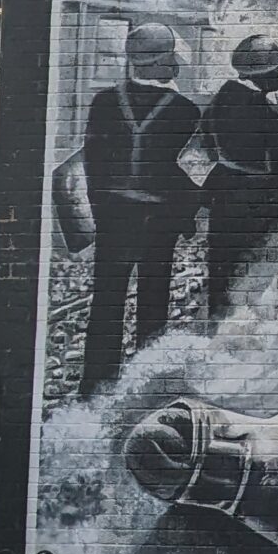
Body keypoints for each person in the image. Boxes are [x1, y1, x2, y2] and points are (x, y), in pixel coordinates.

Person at [79, 21, 200, 396]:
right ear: (164, 62)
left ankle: (96, 382)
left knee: (107, 299)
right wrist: (186, 220)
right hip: (159, 219)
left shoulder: (103, 103)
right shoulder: (185, 111)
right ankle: (145, 382)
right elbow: (186, 176)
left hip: (114, 216)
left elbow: (92, 166)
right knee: (154, 298)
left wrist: (100, 212)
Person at [199, 34, 278, 324]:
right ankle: (244, 336)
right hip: (262, 204)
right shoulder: (270, 112)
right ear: (261, 73)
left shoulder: (218, 102)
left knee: (222, 271)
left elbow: (202, 152)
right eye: (274, 70)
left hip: (225, 199)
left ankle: (216, 329)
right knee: (257, 275)